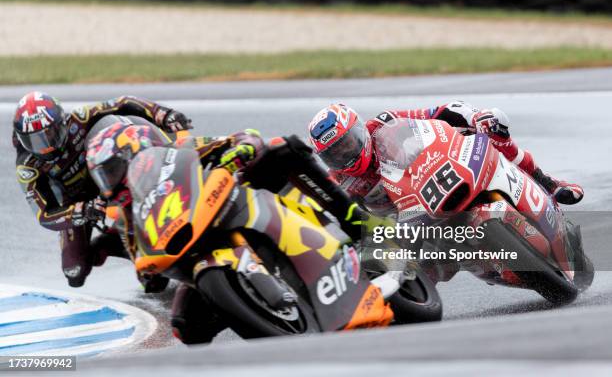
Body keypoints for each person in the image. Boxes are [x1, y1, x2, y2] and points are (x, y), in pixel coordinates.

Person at [85, 118, 266, 344]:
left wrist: (243, 148)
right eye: (103, 177)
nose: (109, 183)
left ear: (130, 155)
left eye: (111, 171)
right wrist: (148, 270)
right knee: (185, 328)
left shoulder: (177, 152)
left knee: (281, 150)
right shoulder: (128, 214)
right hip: (198, 257)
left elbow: (244, 136)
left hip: (231, 214)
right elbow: (147, 276)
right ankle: (251, 318)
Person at [13, 91, 193, 288]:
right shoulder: (27, 166)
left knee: (154, 282)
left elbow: (123, 102)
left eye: (50, 135)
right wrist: (79, 212)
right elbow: (44, 215)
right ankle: (110, 241)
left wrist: (162, 114)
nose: (46, 148)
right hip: (76, 203)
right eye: (35, 141)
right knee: (74, 271)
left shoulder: (80, 118)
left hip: (108, 175)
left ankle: (147, 226)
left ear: (62, 123)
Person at [308, 101, 584, 218]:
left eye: (347, 144)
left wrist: (478, 117)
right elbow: (335, 217)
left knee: (496, 133)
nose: (346, 155)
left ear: (358, 130)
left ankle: (547, 184)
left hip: (438, 176)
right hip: (412, 223)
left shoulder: (384, 124)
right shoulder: (340, 182)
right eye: (336, 153)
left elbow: (442, 111)